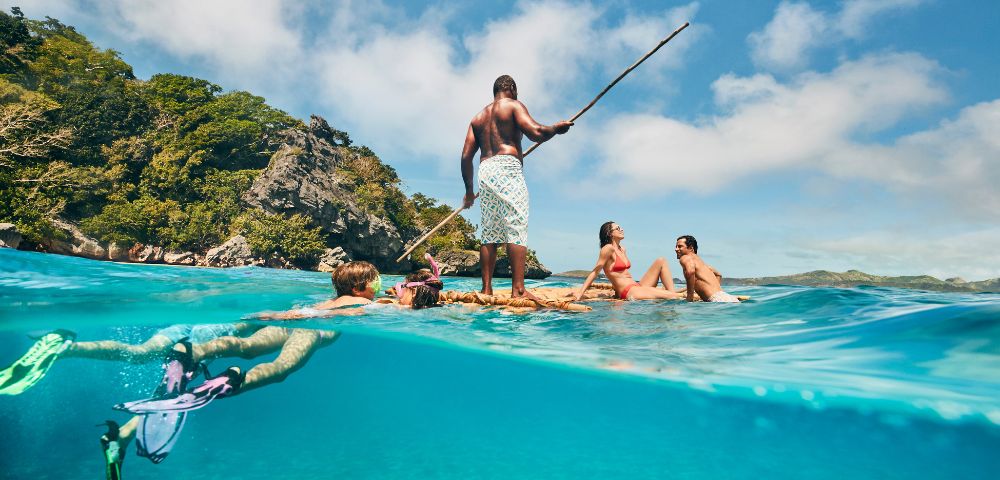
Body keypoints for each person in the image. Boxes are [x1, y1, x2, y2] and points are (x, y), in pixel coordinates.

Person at [460, 74, 573, 299]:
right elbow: (536, 133)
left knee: (490, 231)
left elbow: (465, 157)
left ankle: (486, 289)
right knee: (516, 224)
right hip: (507, 167)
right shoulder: (512, 106)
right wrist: (556, 129)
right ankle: (518, 290)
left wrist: (469, 192)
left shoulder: (478, 118)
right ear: (511, 88)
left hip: (486, 170)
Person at [572, 222, 684, 301]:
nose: (621, 229)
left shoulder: (622, 249)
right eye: (618, 228)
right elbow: (595, 272)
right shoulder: (608, 248)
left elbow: (620, 274)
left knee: (661, 260)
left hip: (637, 285)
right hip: (629, 291)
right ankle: (672, 294)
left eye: (621, 227)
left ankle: (671, 291)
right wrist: (580, 294)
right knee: (673, 297)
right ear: (609, 233)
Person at [675, 235, 739, 303]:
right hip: (726, 297)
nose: (676, 249)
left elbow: (690, 271)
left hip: (717, 300)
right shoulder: (703, 265)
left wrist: (689, 297)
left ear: (691, 248)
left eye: (680, 246)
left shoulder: (685, 258)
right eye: (676, 246)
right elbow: (718, 275)